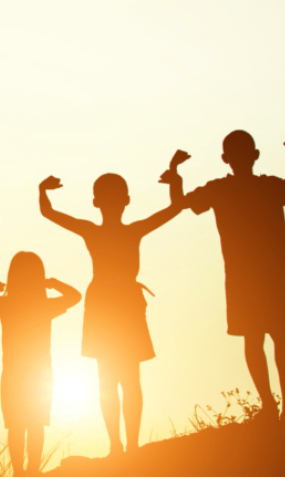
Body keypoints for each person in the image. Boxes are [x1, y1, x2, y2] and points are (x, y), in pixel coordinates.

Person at [38, 150, 188, 456]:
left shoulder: (100, 230)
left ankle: (122, 446)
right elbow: (176, 207)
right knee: (123, 377)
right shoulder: (127, 230)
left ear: (98, 202)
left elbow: (49, 213)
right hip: (111, 304)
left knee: (114, 377)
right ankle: (123, 445)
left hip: (113, 304)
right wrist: (175, 179)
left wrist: (42, 191)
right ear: (126, 200)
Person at [173, 131, 285, 423]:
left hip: (253, 277)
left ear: (229, 159)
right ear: (255, 155)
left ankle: (276, 407)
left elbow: (181, 204)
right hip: (264, 276)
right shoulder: (265, 186)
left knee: (261, 339)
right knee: (275, 337)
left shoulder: (228, 188)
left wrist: (176, 175)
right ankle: (279, 407)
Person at [0, 252, 81, 476]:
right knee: (36, 424)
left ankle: (19, 472)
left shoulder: (6, 304)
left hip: (13, 373)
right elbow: (75, 296)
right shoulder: (44, 305)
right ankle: (32, 470)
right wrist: (52, 283)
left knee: (16, 426)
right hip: (40, 374)